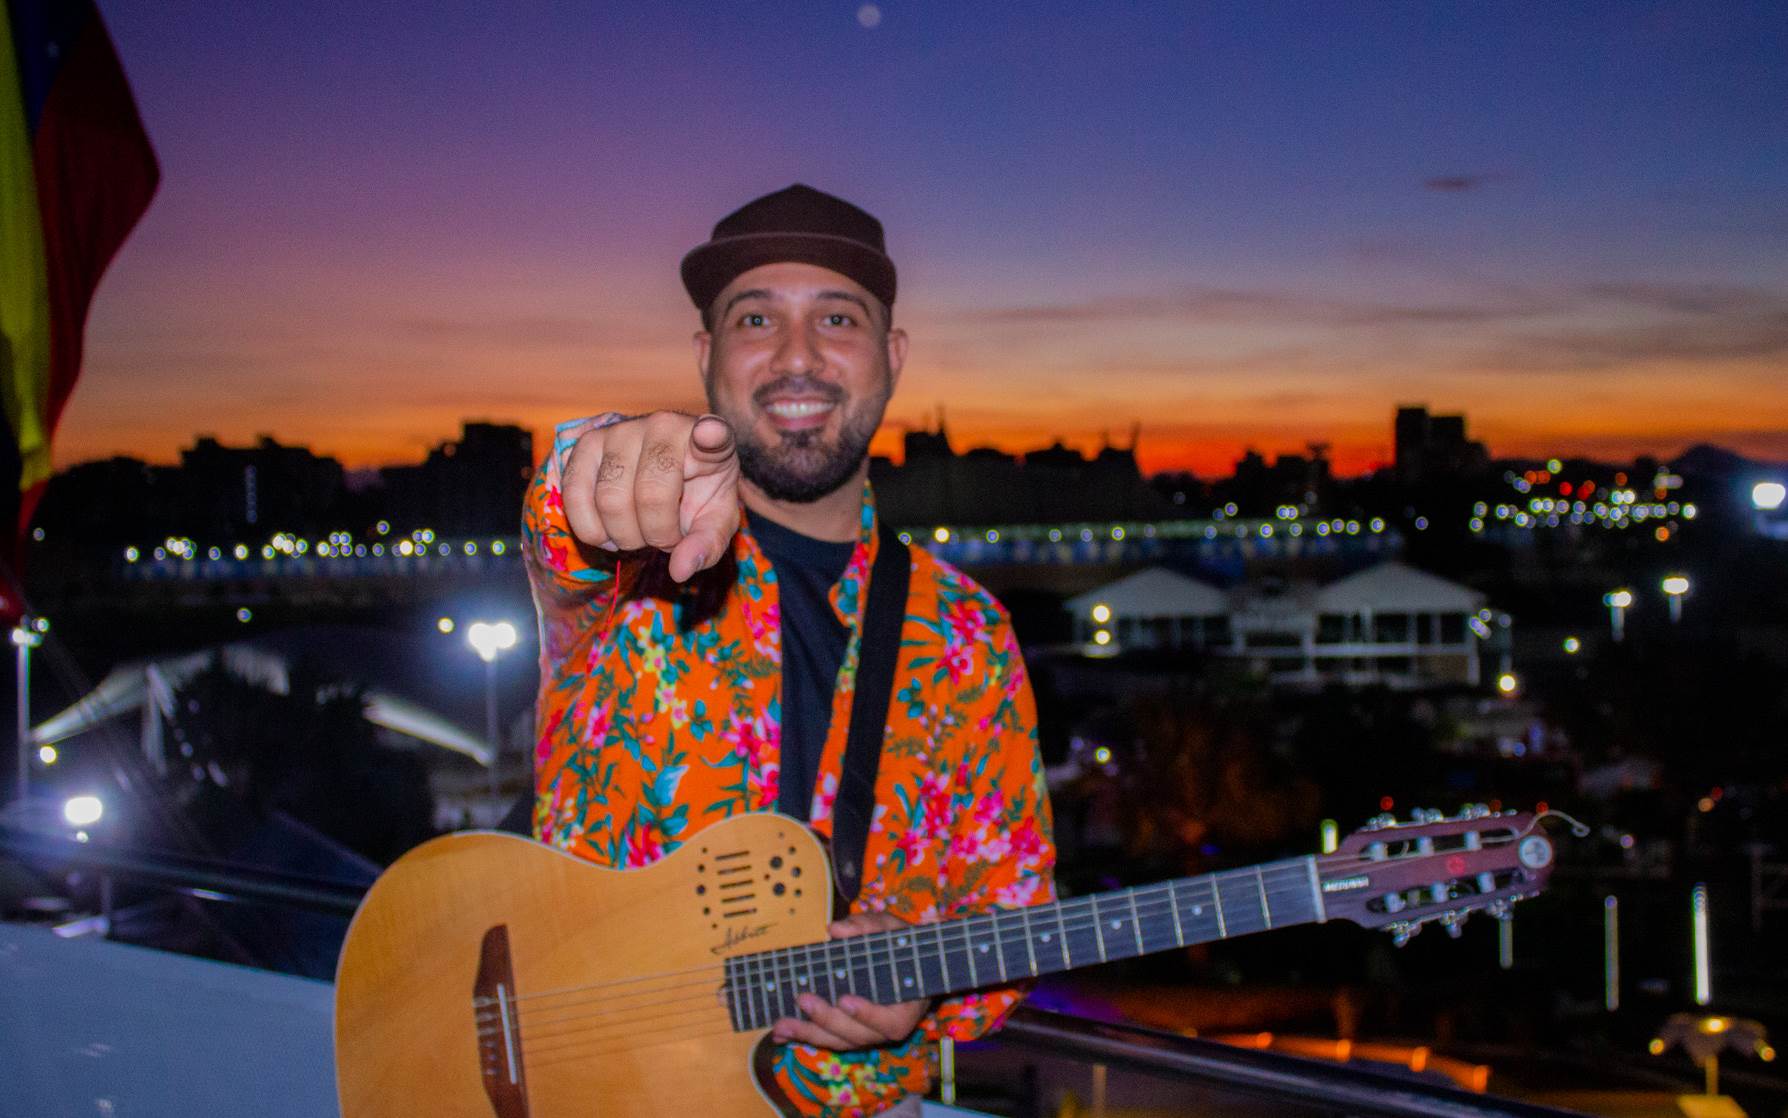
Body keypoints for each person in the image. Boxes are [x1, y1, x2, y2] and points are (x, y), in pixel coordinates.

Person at [522, 184, 1055, 1117]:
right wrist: (597, 471)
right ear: (707, 356)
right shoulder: (634, 571)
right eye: (756, 318)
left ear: (892, 357)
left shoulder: (969, 634)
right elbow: (566, 528)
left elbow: (1013, 911)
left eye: (837, 318)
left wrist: (925, 986)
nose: (797, 356)